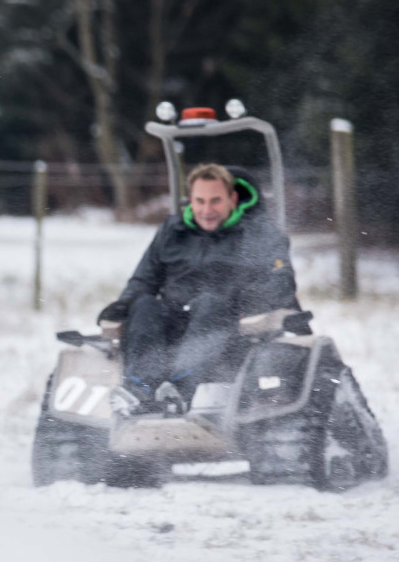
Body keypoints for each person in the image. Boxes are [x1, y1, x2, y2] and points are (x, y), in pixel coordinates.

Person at [96, 163, 305, 413]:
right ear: (190, 201)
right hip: (172, 324)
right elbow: (144, 281)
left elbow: (281, 283)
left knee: (208, 302)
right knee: (144, 305)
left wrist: (246, 304)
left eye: (215, 201)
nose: (207, 210)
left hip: (231, 329)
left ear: (232, 198)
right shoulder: (172, 232)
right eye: (200, 201)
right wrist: (124, 305)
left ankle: (181, 391)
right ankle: (141, 390)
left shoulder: (260, 235)